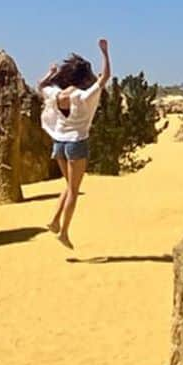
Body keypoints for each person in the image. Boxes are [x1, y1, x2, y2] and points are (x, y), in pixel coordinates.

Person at [37, 39, 111, 250]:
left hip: (59, 143)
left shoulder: (55, 94)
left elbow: (41, 85)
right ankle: (64, 232)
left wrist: (50, 74)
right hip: (76, 143)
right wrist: (105, 53)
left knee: (69, 186)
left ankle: (54, 220)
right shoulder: (82, 96)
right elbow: (105, 78)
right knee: (74, 190)